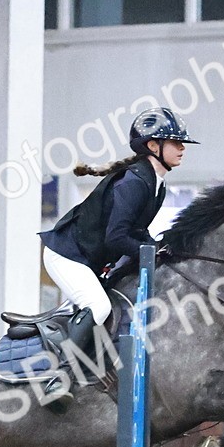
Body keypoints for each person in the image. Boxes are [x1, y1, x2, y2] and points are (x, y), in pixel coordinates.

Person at [36, 106, 197, 411]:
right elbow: (116, 237)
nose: (182, 148)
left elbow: (135, 232)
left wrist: (160, 247)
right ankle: (59, 377)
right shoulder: (134, 182)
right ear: (153, 145)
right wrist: (150, 250)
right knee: (98, 306)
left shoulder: (157, 185)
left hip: (89, 260)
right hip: (66, 257)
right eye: (176, 142)